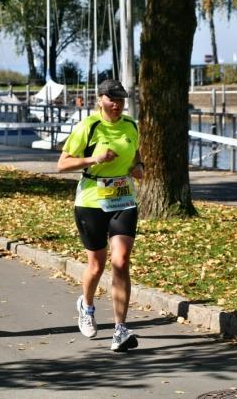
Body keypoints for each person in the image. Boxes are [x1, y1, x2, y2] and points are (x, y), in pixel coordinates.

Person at [57, 79, 144, 352]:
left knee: (121, 259)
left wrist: (138, 165)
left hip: (123, 198)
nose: (116, 105)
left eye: (120, 100)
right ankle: (87, 305)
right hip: (92, 201)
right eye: (111, 99)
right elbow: (62, 164)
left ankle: (120, 329)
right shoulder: (88, 126)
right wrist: (94, 159)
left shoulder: (131, 125)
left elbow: (136, 152)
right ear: (100, 99)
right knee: (96, 265)